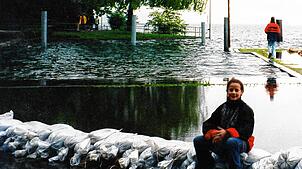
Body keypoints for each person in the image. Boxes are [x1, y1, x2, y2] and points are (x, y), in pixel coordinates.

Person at [193, 78, 255, 169]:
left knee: (231, 142)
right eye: (231, 90)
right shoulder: (222, 108)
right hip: (220, 139)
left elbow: (247, 131)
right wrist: (214, 134)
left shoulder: (246, 110)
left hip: (242, 142)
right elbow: (208, 124)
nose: (233, 92)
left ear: (241, 92)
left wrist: (227, 133)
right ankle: (207, 165)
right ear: (227, 92)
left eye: (236, 90)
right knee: (198, 140)